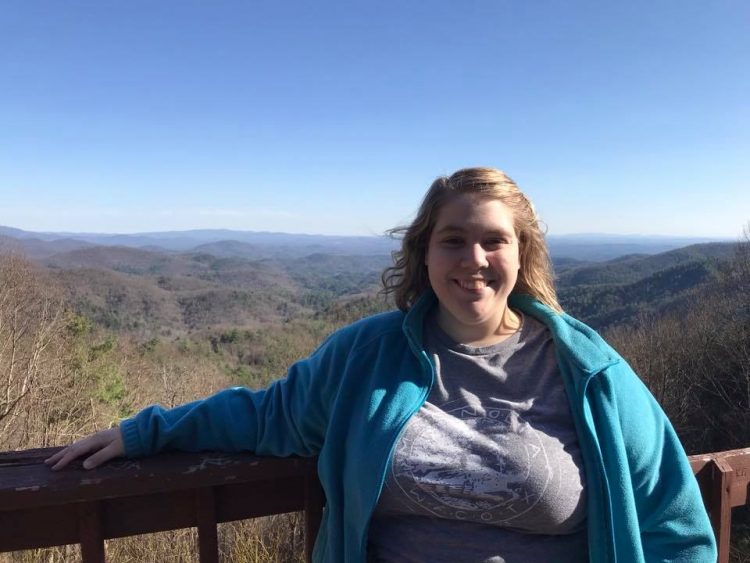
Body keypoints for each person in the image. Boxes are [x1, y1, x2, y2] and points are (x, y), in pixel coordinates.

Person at [46, 167, 716, 562]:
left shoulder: (590, 372)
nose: (473, 259)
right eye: (453, 240)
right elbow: (267, 412)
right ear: (425, 255)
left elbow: (676, 527)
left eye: (494, 240)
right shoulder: (366, 355)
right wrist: (144, 432)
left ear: (522, 254)